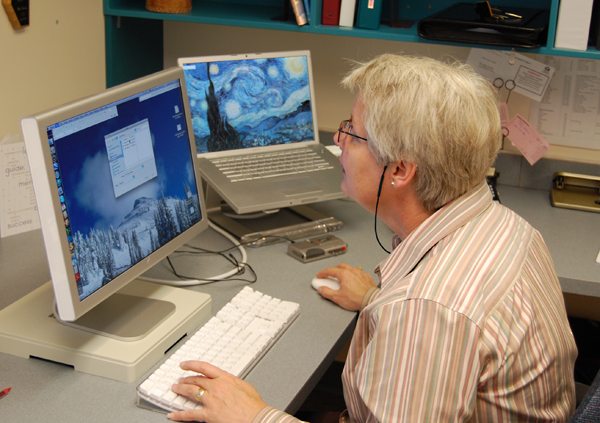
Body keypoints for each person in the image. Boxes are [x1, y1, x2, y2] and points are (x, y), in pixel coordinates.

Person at [168, 54, 578, 423]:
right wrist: (376, 300)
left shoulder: (426, 313)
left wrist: (255, 417)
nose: (338, 140)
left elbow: (435, 316)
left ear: (399, 170)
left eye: (352, 132)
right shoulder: (506, 225)